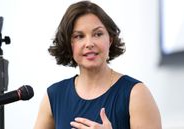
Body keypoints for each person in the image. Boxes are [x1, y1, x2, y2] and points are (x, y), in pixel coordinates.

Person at [33, 1, 161, 129]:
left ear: (110, 40)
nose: (89, 43)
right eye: (79, 36)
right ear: (68, 43)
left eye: (98, 34)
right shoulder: (54, 95)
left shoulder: (136, 93)